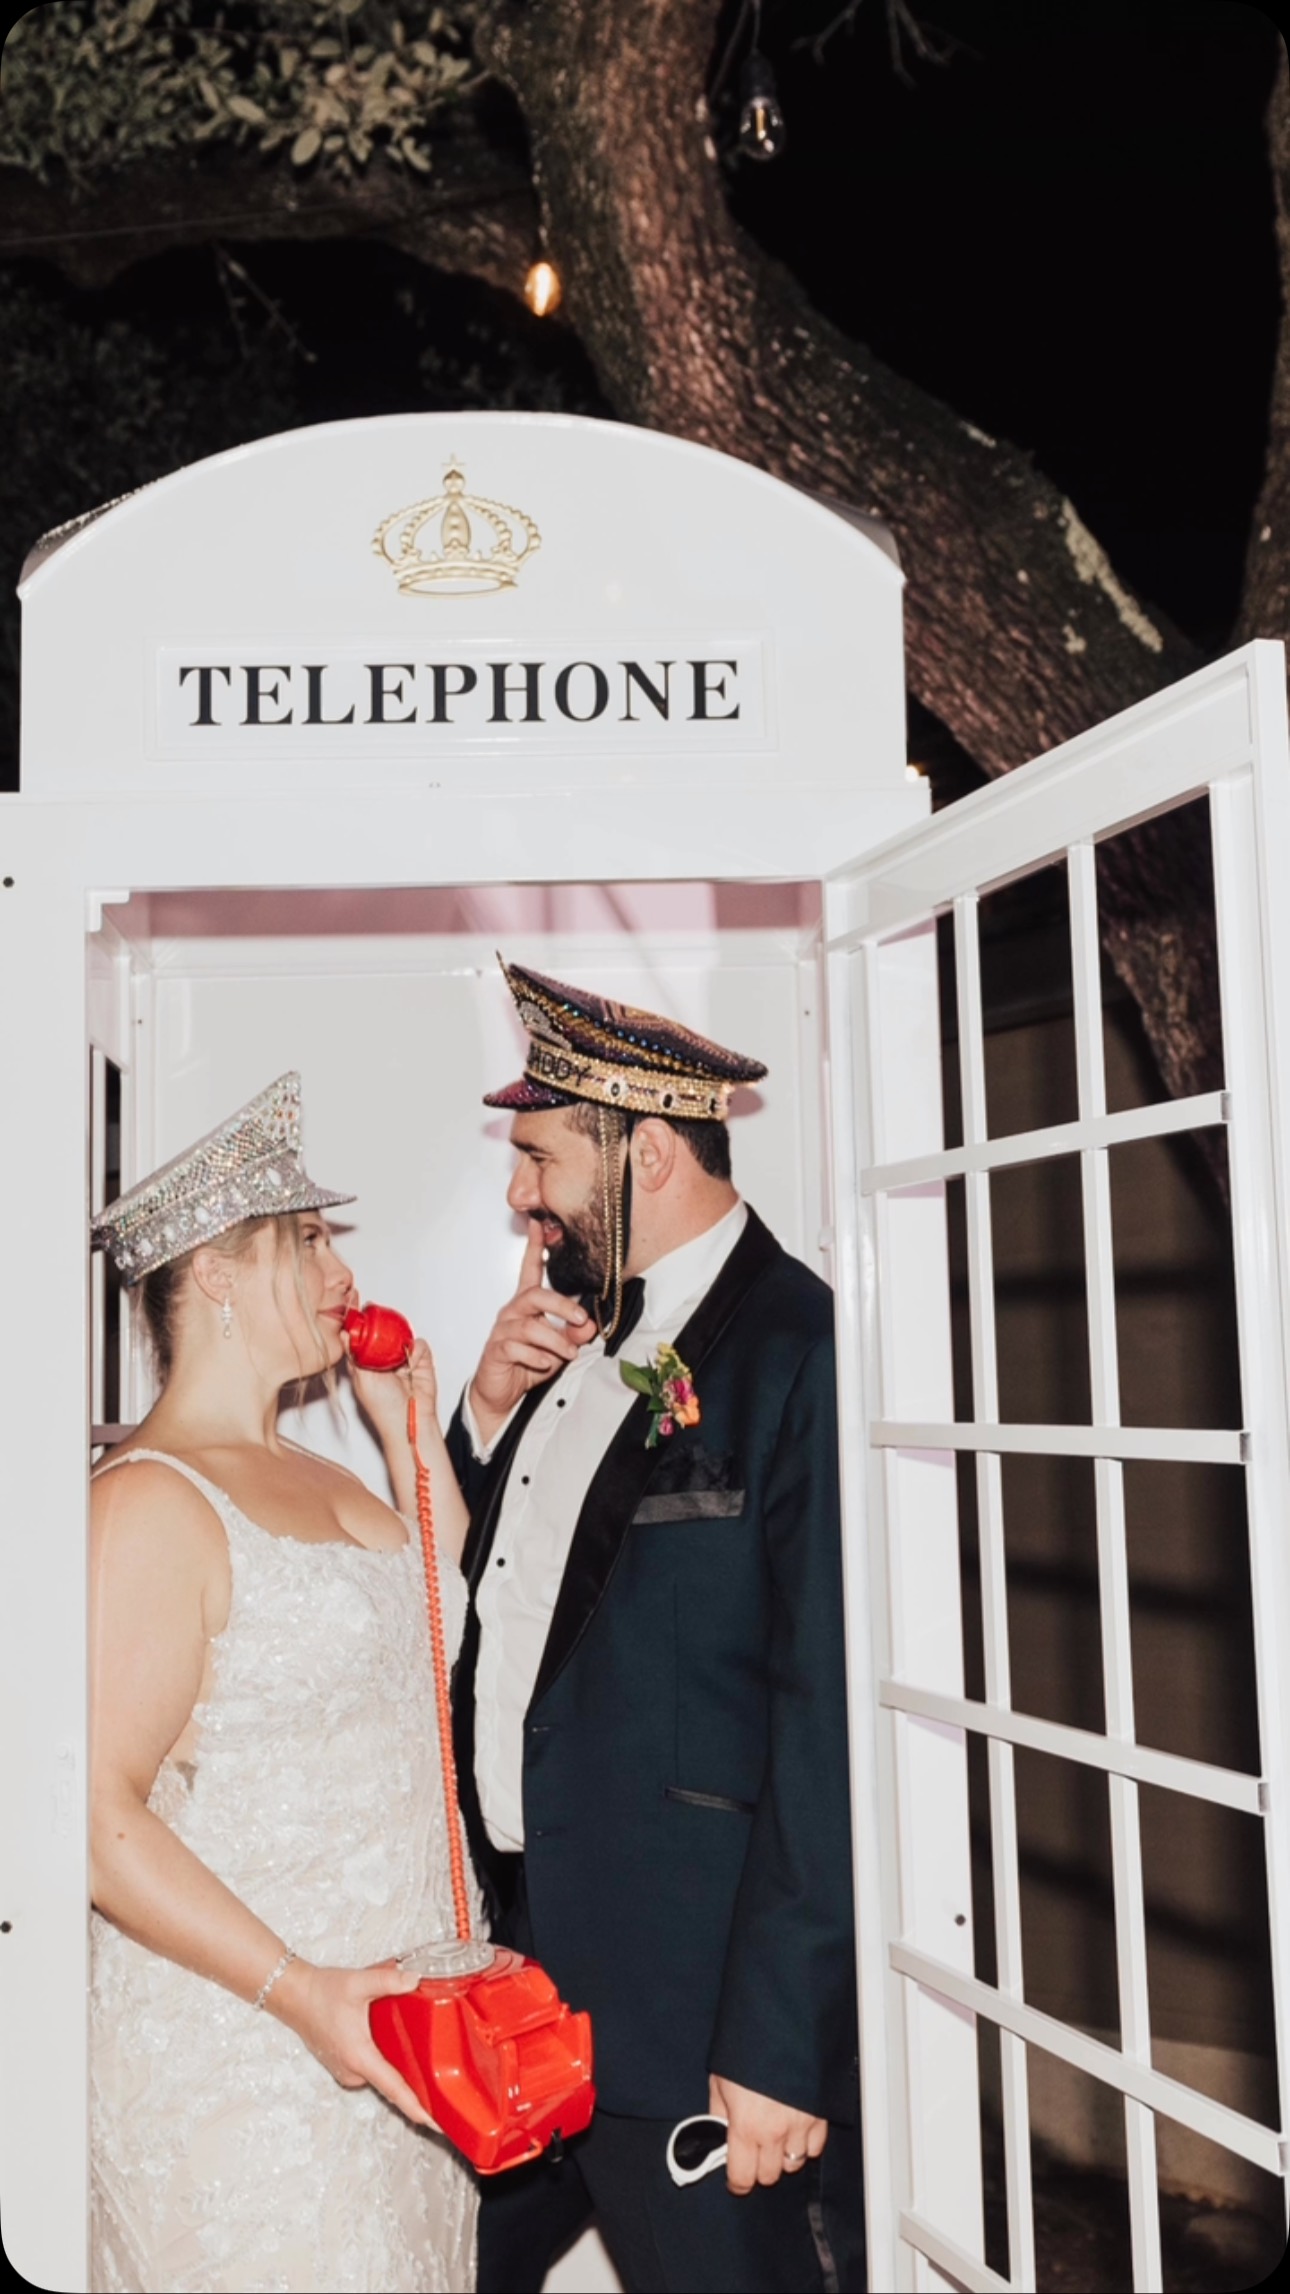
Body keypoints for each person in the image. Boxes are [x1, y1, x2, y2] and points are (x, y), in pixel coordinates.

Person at [448, 961, 864, 2294]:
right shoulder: (582, 1335)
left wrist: (778, 2043)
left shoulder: (800, 1348)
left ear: (651, 1151)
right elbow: (528, 1603)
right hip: (524, 1980)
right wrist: (488, 1420)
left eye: (541, 1159)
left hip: (690, 2020)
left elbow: (829, 1714)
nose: (522, 1195)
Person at [88, 1072, 480, 2294]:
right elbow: (93, 1816)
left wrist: (410, 1434)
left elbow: (440, 1621)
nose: (341, 1271)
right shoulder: (147, 1501)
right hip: (250, 2066)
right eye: (307, 1238)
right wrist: (304, 1995)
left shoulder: (332, 1475)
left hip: (400, 2053)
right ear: (214, 1271)